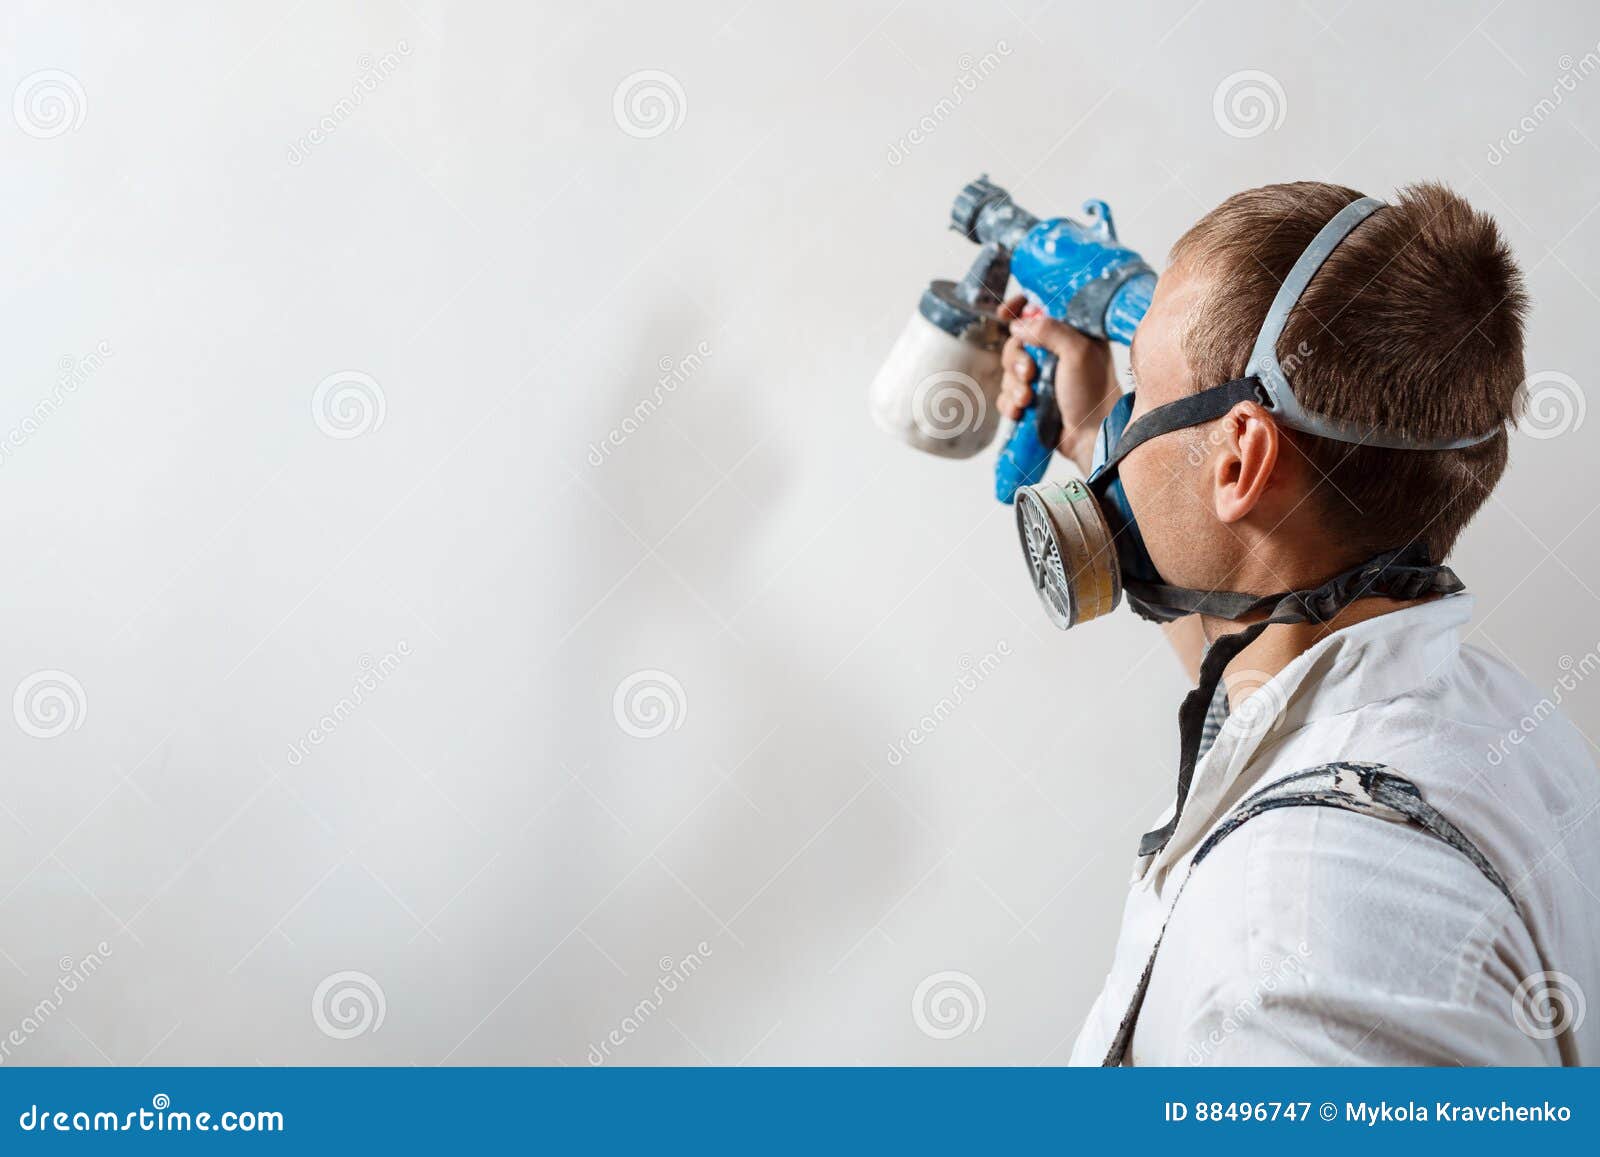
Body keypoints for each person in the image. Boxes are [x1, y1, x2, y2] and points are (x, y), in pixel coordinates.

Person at [997, 180, 1598, 1065]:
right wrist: (1090, 424)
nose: (1126, 432)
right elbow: (1250, 665)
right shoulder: (1492, 715)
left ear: (1241, 457)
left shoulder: (1289, 967)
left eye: (1143, 389)